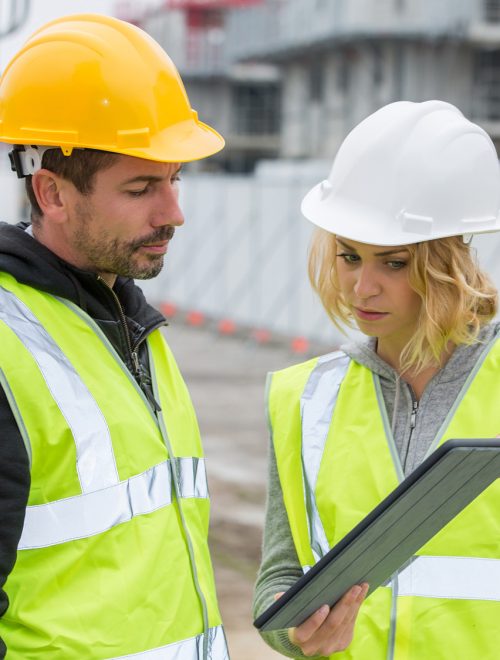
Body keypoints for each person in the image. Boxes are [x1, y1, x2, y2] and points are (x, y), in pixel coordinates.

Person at [0, 13, 229, 660]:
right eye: (141, 187)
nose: (173, 213)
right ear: (52, 193)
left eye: (175, 179)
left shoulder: (132, 327)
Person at [253, 100, 500, 659]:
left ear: (449, 259)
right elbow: (278, 577)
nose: (361, 288)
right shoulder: (303, 398)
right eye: (349, 257)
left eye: (393, 263)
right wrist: (293, 633)